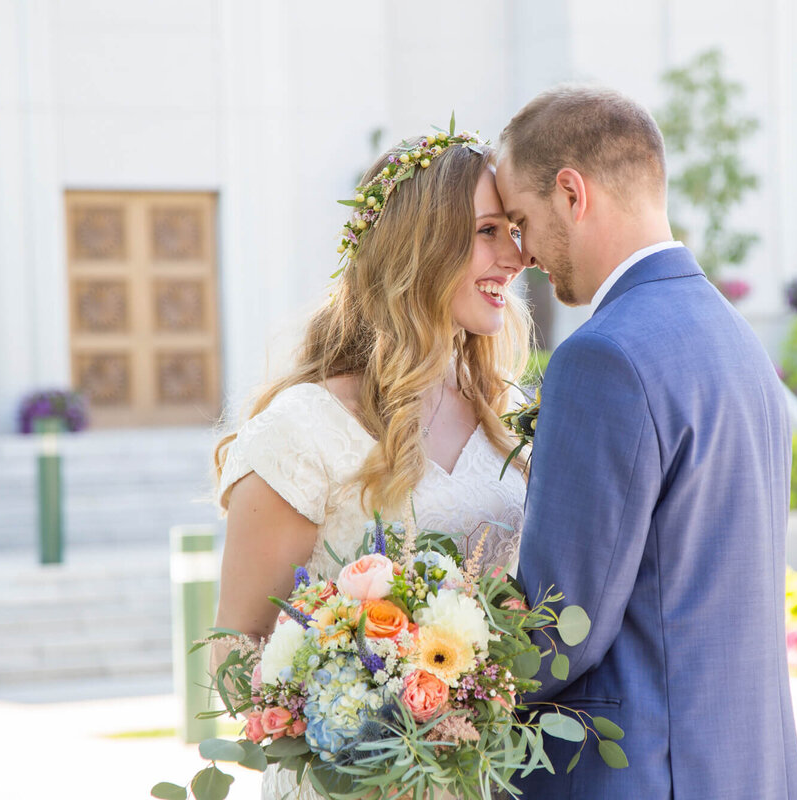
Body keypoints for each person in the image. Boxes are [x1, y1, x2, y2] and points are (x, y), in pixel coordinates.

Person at [496, 86, 797, 799]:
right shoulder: (737, 339)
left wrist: (415, 667)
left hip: (642, 774)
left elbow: (557, 630)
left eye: (521, 220)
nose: (522, 253)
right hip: (748, 769)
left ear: (571, 193)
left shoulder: (602, 357)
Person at [211, 128, 530, 799]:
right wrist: (358, 702)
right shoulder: (302, 430)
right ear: (419, 248)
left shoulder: (510, 421)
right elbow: (234, 656)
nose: (515, 255)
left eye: (516, 230)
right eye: (488, 232)